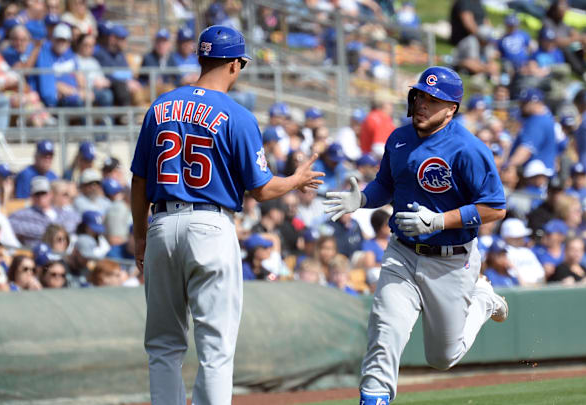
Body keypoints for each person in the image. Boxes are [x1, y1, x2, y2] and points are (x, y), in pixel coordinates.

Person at [130, 26, 323, 405]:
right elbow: (262, 190)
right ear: (235, 65)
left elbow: (138, 180)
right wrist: (296, 180)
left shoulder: (160, 106)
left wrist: (140, 235)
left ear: (202, 58)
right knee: (215, 348)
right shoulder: (237, 115)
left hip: (163, 223)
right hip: (210, 224)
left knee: (164, 346)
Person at [323, 66, 507, 405]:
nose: (423, 103)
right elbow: (386, 186)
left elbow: (495, 207)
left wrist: (440, 221)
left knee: (442, 357)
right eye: (421, 95)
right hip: (402, 253)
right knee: (384, 331)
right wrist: (362, 198)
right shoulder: (399, 138)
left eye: (433, 99)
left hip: (452, 262)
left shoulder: (468, 148)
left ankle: (482, 301)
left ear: (451, 108)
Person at [506, 89, 556, 172]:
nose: (521, 106)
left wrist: (508, 166)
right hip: (542, 173)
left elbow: (526, 149)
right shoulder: (546, 118)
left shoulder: (537, 121)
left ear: (533, 103)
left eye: (524, 103)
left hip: (535, 176)